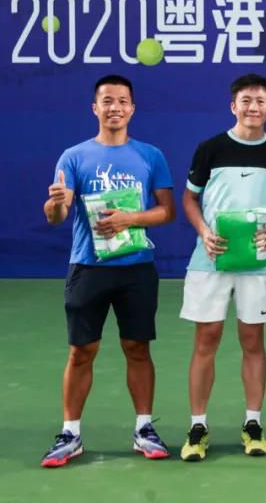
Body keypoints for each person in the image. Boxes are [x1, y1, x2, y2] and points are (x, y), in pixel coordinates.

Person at [40, 75, 175, 467]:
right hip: (88, 267)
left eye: (122, 101)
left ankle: (144, 429)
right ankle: (70, 434)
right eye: (107, 101)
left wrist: (129, 219)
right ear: (95, 108)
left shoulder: (150, 155)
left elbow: (167, 211)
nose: (115, 107)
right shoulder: (74, 157)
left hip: (137, 269)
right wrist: (56, 204)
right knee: (81, 351)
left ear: (132, 109)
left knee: (138, 348)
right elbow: (56, 216)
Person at [179, 73, 266, 461]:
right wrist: (204, 232)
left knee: (253, 341)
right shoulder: (210, 149)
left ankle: (253, 423)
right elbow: (189, 199)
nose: (252, 107)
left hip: (257, 261)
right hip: (209, 259)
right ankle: (197, 426)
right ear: (233, 106)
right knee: (206, 339)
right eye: (246, 101)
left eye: (260, 101)